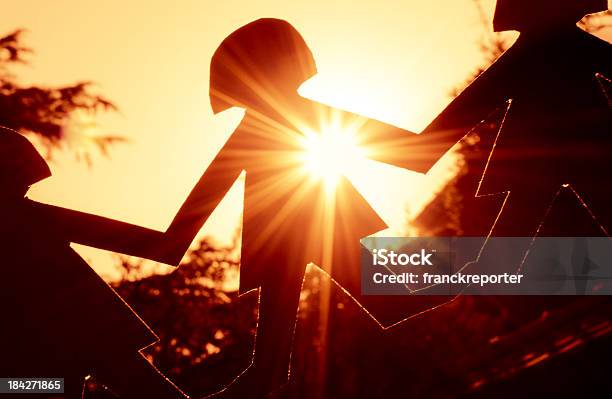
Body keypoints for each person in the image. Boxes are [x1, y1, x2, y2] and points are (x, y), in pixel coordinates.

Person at [158, 18, 446, 398]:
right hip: (306, 229)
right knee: (385, 307)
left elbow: (413, 153)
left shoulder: (270, 124)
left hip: (300, 230)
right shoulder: (286, 120)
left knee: (279, 358)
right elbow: (414, 152)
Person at [0, 126, 188, 399]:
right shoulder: (32, 218)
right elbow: (164, 246)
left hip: (79, 347)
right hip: (77, 346)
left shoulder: (33, 218)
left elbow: (165, 247)